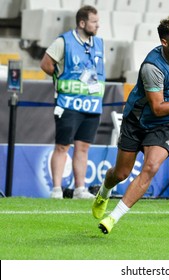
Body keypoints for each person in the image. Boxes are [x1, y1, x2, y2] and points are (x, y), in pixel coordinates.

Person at [92, 16, 169, 234]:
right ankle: (104, 192)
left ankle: (112, 219)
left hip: (166, 123)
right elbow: (157, 108)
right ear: (164, 43)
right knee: (120, 174)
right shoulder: (152, 67)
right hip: (139, 120)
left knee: (151, 166)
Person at [40, 5, 105, 199]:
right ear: (82, 23)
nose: (97, 25)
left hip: (92, 104)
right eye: (94, 22)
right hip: (68, 103)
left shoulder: (99, 43)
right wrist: (60, 77)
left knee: (83, 147)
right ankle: (56, 189)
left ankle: (79, 189)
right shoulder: (64, 42)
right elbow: (46, 64)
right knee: (62, 146)